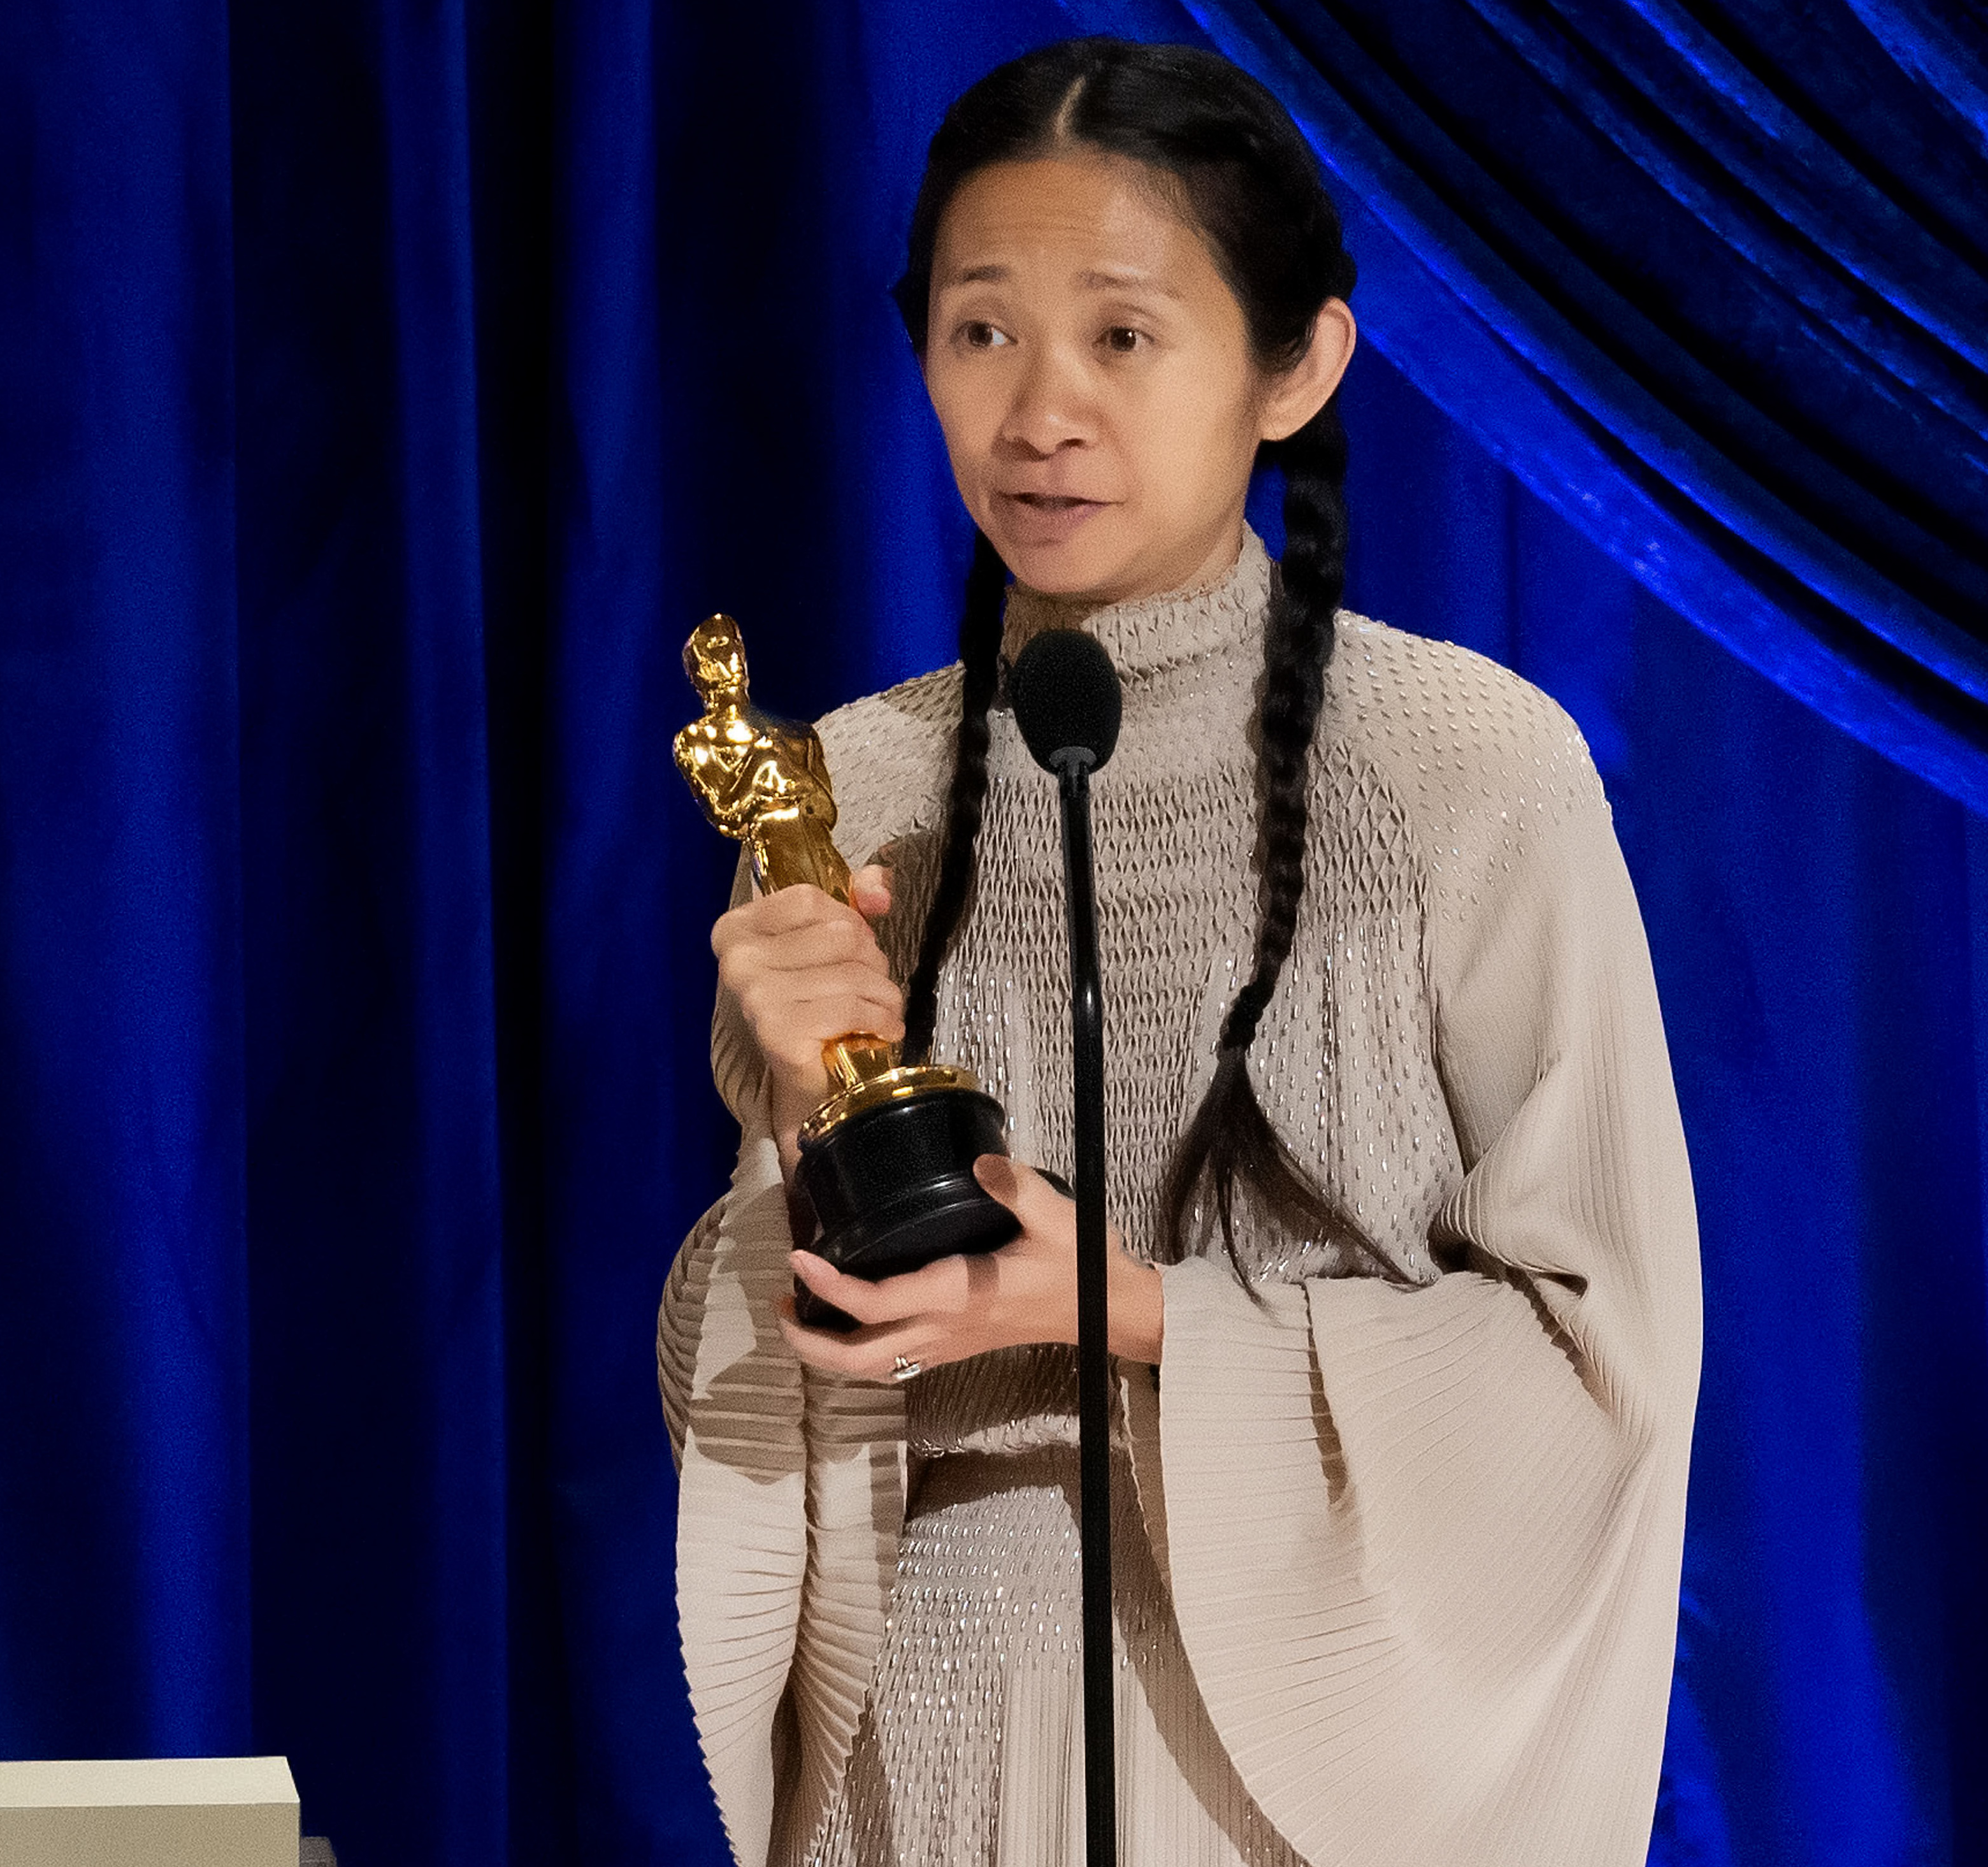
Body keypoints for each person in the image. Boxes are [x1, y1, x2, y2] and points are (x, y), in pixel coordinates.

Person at [658, 36, 1702, 1867]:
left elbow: (1600, 1354)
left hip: (1303, 1766)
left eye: (1122, 336)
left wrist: (1124, 1310)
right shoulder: (857, 787)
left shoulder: (1467, 772)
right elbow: (761, 1390)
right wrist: (782, 1128)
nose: (1039, 410)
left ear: (1294, 364)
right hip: (943, 1725)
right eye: (982, 331)